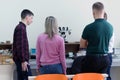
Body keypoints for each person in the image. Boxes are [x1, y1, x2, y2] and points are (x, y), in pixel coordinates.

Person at [80, 2, 113, 75]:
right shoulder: (110, 27)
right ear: (103, 12)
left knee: (88, 77)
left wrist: (90, 44)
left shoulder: (88, 27)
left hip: (91, 59)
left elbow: (82, 45)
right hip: (105, 58)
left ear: (93, 13)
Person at [13, 9, 34, 80]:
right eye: (31, 18)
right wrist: (23, 61)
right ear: (27, 17)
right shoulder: (21, 28)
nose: (32, 20)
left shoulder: (21, 27)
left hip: (22, 60)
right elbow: (20, 46)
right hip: (22, 61)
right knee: (26, 78)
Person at [104, 12, 114, 80]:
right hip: (108, 54)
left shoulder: (107, 29)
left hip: (104, 54)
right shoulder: (110, 28)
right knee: (107, 75)